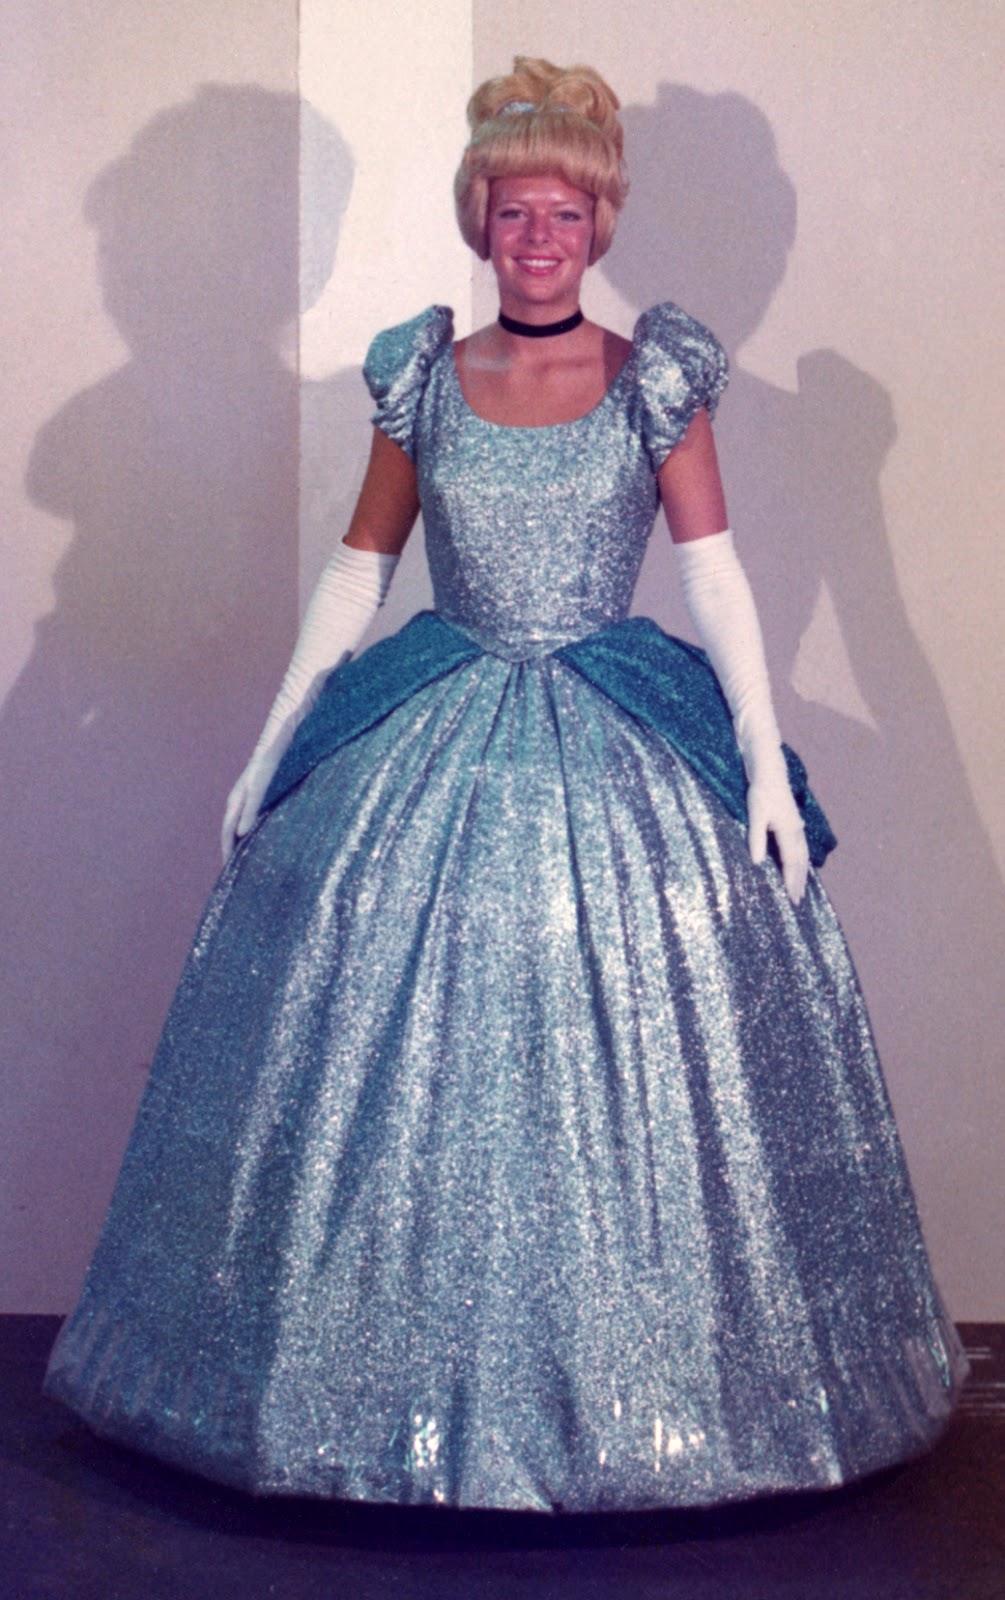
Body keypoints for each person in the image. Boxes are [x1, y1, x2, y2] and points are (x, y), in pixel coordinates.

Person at [45, 57, 965, 1513]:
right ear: (480, 220)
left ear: (599, 227)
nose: (539, 238)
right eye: (515, 211)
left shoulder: (655, 378)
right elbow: (361, 571)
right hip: (439, 706)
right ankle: (372, 1399)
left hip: (618, 720)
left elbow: (717, 576)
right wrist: (274, 738)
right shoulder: (424, 377)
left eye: (565, 214)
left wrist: (758, 757)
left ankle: (649, 1399)